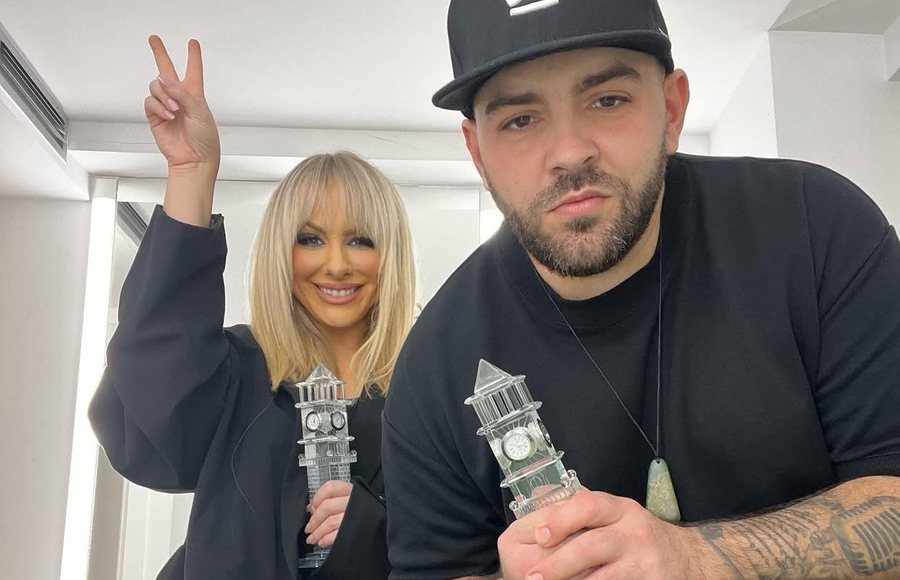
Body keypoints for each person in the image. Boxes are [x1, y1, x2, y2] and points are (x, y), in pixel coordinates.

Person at [381, 0, 900, 578]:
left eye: (607, 100)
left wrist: (694, 559)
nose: (569, 153)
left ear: (671, 110)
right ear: (478, 153)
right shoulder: (435, 366)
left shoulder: (815, 228)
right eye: (520, 120)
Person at [89, 36, 415, 579]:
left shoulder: (430, 388)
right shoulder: (238, 370)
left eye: (360, 240)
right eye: (310, 239)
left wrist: (372, 529)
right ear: (280, 251)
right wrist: (191, 173)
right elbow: (155, 419)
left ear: (391, 254)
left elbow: (473, 539)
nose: (336, 264)